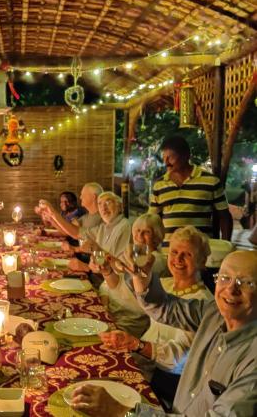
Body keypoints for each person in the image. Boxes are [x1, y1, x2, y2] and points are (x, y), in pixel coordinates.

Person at [72, 249, 257, 416]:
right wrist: (140, 276)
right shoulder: (214, 313)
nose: (231, 289)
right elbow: (164, 308)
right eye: (225, 277)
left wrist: (122, 411)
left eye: (246, 282)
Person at [100, 226, 213, 385]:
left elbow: (181, 360)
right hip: (139, 361)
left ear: (202, 261)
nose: (178, 259)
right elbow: (134, 304)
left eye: (187, 254)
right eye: (174, 252)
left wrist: (136, 345)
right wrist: (109, 273)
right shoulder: (166, 284)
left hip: (160, 378)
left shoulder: (202, 303)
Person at [148, 135, 232, 248]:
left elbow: (224, 216)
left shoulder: (211, 181)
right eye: (164, 158)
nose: (166, 163)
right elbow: (152, 221)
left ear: (186, 156)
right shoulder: (159, 185)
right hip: (169, 252)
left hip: (200, 252)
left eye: (170, 158)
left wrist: (226, 246)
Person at [39, 182, 103, 240]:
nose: (80, 197)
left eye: (83, 194)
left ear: (93, 197)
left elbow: (76, 234)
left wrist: (52, 213)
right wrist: (51, 219)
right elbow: (66, 231)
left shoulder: (101, 218)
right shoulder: (86, 217)